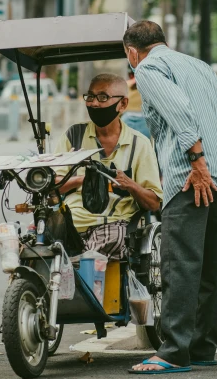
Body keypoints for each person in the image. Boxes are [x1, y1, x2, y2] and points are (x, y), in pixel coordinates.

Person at [123, 21, 217, 375]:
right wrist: (215, 163)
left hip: (191, 176)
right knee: (210, 266)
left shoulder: (148, 67)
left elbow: (178, 112)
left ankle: (173, 351)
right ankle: (202, 347)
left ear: (132, 51)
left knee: (181, 263)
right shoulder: (201, 67)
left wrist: (196, 160)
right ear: (163, 40)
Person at [54, 73, 162, 260]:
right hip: (70, 223)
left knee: (91, 259)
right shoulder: (74, 136)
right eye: (90, 97)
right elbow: (53, 185)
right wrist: (82, 179)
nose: (94, 103)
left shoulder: (140, 144)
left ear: (123, 104)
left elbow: (153, 202)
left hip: (114, 224)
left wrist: (130, 185)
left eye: (103, 97)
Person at [121, 68, 151, 140]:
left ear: (130, 74)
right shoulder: (148, 84)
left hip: (126, 118)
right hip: (144, 120)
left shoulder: (125, 84)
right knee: (144, 145)